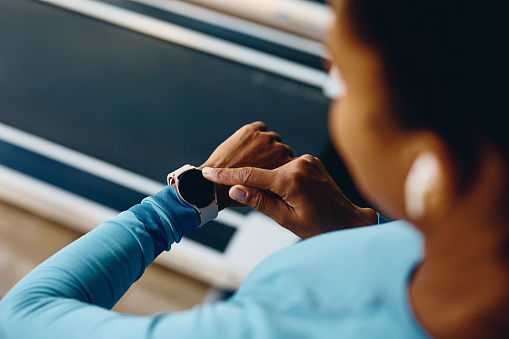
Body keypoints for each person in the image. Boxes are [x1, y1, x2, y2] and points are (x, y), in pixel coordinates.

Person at [0, 0, 508, 337]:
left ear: (436, 168)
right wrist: (356, 232)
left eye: (342, 84)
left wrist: (171, 210)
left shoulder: (270, 326)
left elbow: (24, 317)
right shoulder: (457, 245)